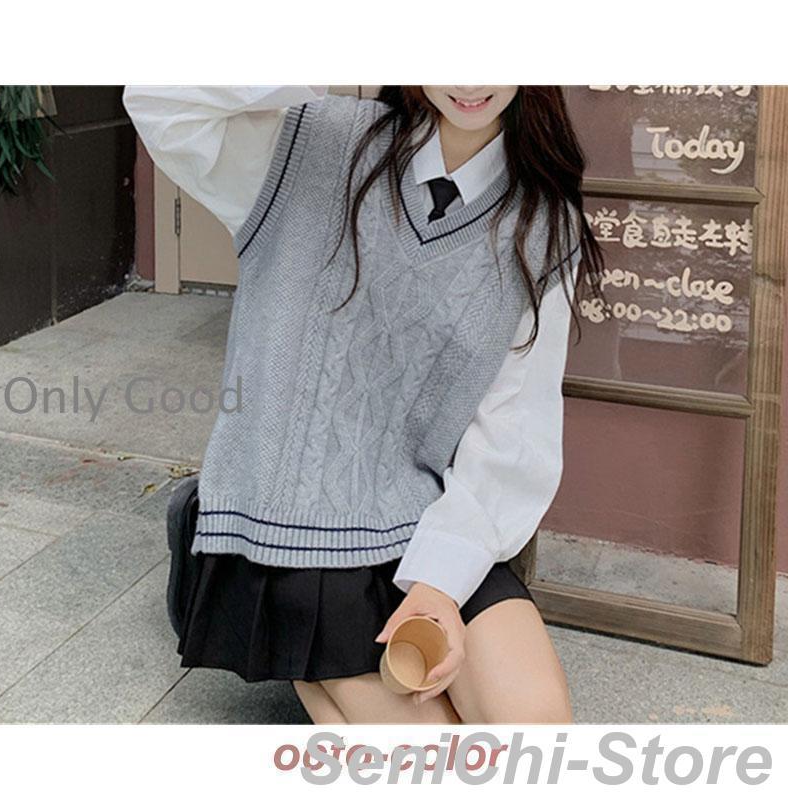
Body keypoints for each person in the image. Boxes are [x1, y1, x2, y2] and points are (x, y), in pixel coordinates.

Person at [122, 85, 606, 724]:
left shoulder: (543, 224)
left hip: (423, 514)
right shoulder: (314, 141)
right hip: (286, 523)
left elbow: (513, 429)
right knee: (430, 762)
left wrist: (439, 583)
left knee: (537, 732)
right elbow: (160, 97)